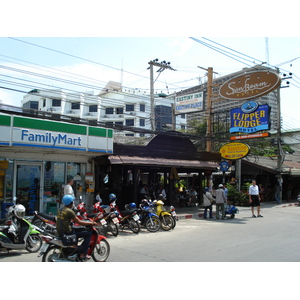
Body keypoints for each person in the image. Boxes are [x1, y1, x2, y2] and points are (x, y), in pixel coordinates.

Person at [56, 194, 98, 260]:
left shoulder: (60, 209)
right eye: (72, 202)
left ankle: (75, 250)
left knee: (78, 230)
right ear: (71, 203)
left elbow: (66, 219)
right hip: (68, 232)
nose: (73, 203)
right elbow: (79, 222)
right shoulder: (69, 211)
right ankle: (83, 254)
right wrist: (91, 223)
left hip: (60, 231)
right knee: (88, 234)